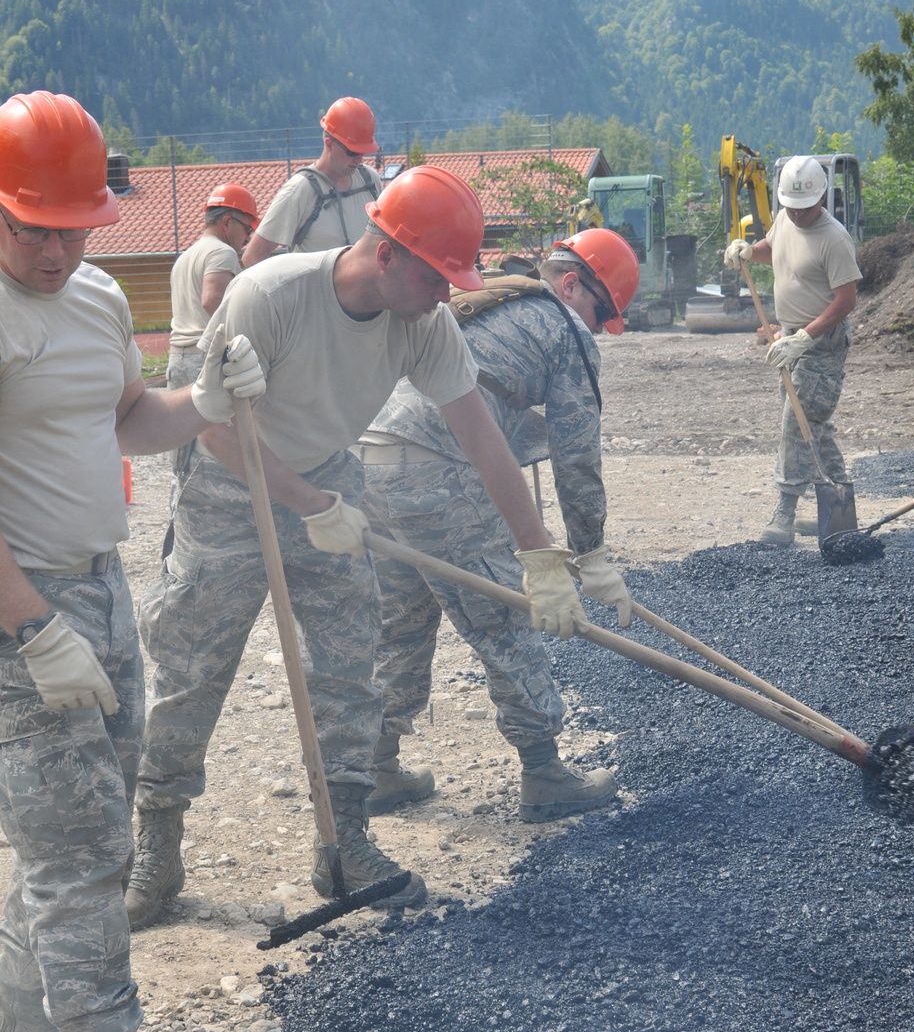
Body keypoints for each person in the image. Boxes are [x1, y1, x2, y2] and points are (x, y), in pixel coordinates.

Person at [125, 165, 586, 928]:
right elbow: (209, 423)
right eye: (439, 277)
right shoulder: (270, 294)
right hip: (229, 480)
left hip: (328, 477)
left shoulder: (425, 323)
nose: (450, 295)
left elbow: (482, 440)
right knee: (195, 663)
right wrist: (310, 506)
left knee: (347, 662)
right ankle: (158, 841)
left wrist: (538, 554)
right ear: (388, 255)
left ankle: (344, 842)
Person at [0, 91, 264, 1032]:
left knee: (86, 835)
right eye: (35, 230)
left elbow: (125, 418)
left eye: (76, 230)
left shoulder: (100, 298)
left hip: (99, 586)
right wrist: (30, 626)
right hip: (20, 607)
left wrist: (199, 401)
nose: (58, 251)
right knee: (79, 844)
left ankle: (25, 1018)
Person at [360, 230, 641, 822]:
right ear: (571, 284)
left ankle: (377, 766)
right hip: (441, 475)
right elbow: (577, 454)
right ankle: (544, 773)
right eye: (598, 311)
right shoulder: (562, 329)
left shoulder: (491, 303)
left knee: (401, 621)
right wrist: (590, 556)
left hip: (373, 467)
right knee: (509, 616)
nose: (594, 328)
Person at [725, 154, 862, 547]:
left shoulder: (834, 239)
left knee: (794, 421)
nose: (798, 215)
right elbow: (776, 245)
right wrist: (750, 251)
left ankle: (784, 513)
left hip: (822, 342)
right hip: (789, 337)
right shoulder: (787, 216)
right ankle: (838, 507)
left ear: (821, 198)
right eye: (791, 207)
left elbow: (846, 300)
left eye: (805, 208)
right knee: (811, 421)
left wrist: (806, 337)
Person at [241, 97, 381, 266]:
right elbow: (251, 258)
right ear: (329, 144)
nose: (359, 159)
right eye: (352, 152)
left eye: (363, 152)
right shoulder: (299, 191)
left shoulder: (370, 180)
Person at [166, 181, 259, 388]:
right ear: (226, 222)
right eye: (247, 228)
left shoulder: (185, 257)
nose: (247, 238)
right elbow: (212, 301)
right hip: (205, 358)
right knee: (223, 421)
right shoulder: (222, 252)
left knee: (183, 421)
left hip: (178, 358)